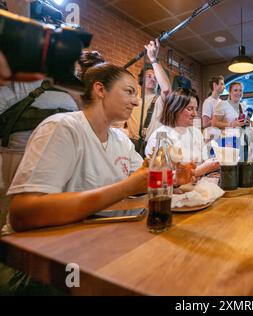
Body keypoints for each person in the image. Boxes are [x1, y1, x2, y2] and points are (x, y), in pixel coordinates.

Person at [0, 50, 104, 232]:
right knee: (13, 213)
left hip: (59, 158)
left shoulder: (74, 92)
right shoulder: (26, 82)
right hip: (18, 154)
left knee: (45, 211)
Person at [145, 88, 219, 178]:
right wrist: (199, 171)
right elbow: (159, 176)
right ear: (175, 108)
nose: (195, 114)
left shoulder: (195, 132)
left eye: (196, 109)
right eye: (190, 109)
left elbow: (204, 160)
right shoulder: (161, 136)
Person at [123, 39, 171, 152]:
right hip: (131, 147)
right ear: (141, 79)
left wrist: (154, 60)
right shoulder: (132, 100)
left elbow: (167, 89)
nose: (153, 78)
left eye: (155, 77)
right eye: (149, 76)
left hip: (152, 148)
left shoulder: (159, 100)